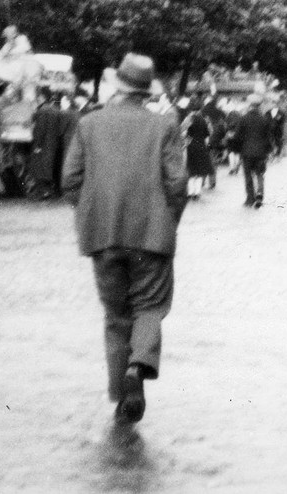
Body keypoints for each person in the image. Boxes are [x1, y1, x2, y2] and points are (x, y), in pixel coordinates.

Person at [61, 53, 187, 425]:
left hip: (103, 236)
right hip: (151, 234)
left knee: (116, 316)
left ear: (117, 86)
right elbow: (177, 183)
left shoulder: (89, 124)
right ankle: (139, 365)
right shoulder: (165, 126)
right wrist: (169, 219)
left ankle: (121, 396)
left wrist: (89, 212)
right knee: (149, 305)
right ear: (147, 92)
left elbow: (70, 180)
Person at [231, 94, 275, 208]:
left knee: (248, 175)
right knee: (260, 173)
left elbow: (237, 136)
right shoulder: (264, 119)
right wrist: (269, 150)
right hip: (261, 152)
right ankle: (260, 193)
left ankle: (250, 198)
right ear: (259, 106)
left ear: (250, 105)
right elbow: (268, 136)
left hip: (247, 152)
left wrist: (237, 149)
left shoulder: (243, 118)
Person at [183, 106, 215, 198]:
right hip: (201, 146)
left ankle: (190, 191)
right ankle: (197, 192)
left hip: (191, 146)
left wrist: (186, 144)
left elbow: (187, 135)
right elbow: (207, 135)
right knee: (200, 171)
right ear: (200, 110)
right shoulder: (203, 121)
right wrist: (207, 146)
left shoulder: (190, 120)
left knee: (191, 169)